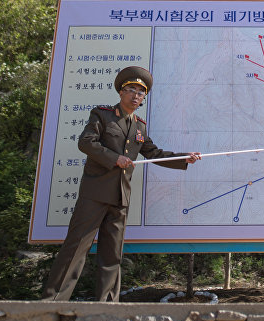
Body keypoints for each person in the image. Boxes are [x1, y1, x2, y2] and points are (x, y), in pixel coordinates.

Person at [41, 66, 200, 301]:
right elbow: (86, 142)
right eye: (131, 90)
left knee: (112, 254)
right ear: (121, 92)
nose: (136, 96)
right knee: (76, 249)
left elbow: (153, 153)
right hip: (94, 194)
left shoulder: (140, 126)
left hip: (120, 197)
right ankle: (51, 302)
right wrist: (115, 158)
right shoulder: (102, 115)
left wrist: (182, 158)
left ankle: (108, 305)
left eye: (140, 93)